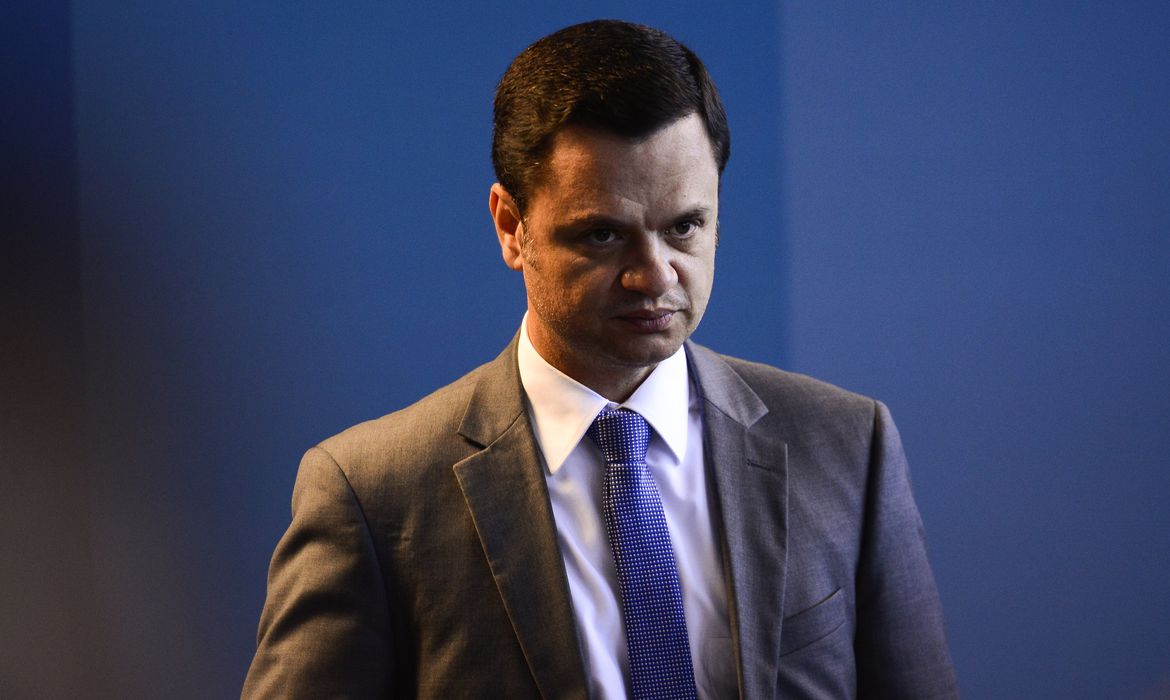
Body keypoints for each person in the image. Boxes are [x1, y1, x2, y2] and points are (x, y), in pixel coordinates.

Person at [242, 19, 958, 699]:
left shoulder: (848, 448)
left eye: (685, 227)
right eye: (602, 237)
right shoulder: (373, 496)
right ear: (511, 227)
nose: (655, 276)